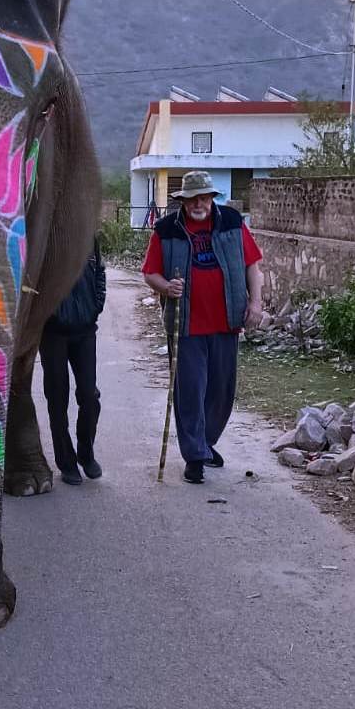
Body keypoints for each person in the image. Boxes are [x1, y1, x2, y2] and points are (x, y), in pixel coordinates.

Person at [141, 171, 263, 484]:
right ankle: (194, 455)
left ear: (211, 198)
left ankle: (206, 441)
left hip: (226, 321)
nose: (199, 203)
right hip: (186, 325)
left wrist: (256, 303)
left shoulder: (232, 223)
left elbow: (253, 266)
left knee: (221, 390)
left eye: (204, 197)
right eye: (193, 198)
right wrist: (167, 287)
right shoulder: (166, 229)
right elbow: (150, 273)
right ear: (183, 201)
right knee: (190, 390)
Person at [39, 235, 106, 485]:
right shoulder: (44, 239)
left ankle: (86, 453)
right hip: (53, 333)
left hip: (85, 330)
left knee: (90, 396)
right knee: (57, 399)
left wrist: (95, 306)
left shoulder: (89, 238)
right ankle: (66, 462)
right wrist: (49, 314)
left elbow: (100, 272)